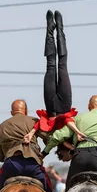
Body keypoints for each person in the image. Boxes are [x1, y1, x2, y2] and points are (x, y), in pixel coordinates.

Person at [23, 10, 86, 145]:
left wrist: (30, 133)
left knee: (51, 65)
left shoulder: (51, 136)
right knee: (62, 66)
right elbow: (68, 120)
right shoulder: (69, 135)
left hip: (51, 106)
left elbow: (39, 125)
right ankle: (60, 29)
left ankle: (50, 29)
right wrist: (77, 132)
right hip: (64, 105)